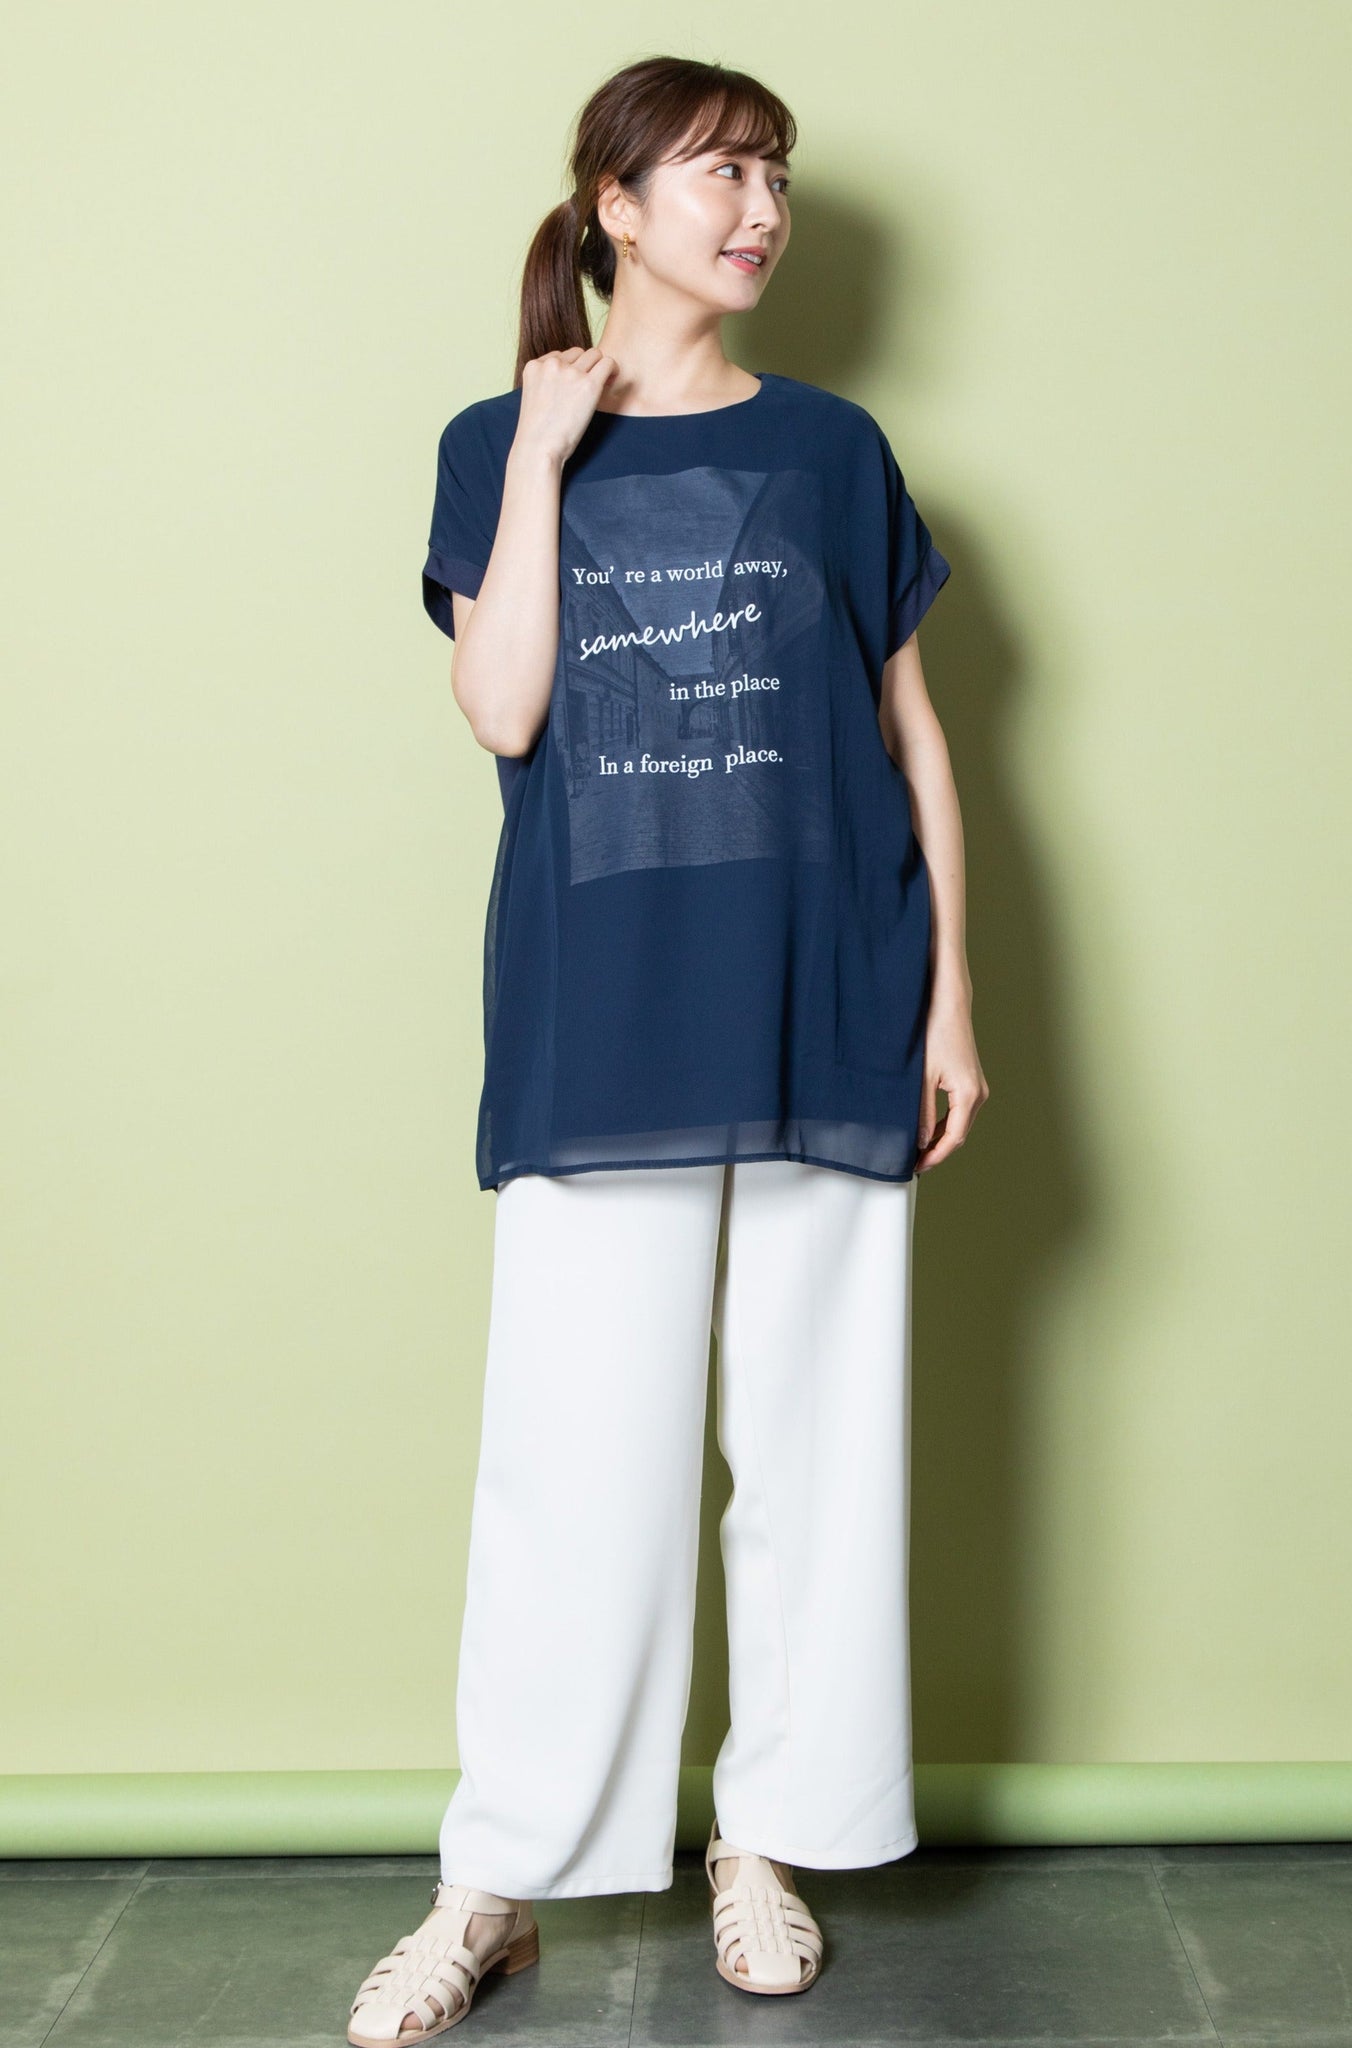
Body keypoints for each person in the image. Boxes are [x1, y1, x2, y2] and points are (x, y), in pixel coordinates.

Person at [347, 52, 988, 2046]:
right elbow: (503, 708)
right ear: (616, 207)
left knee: (819, 1448)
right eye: (721, 172)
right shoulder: (494, 439)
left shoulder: (833, 448)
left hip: (826, 989)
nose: (762, 208)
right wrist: (544, 460)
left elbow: (913, 737)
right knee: (572, 1463)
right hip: (605, 1011)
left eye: (777, 174)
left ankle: (766, 1839)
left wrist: (951, 996)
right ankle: (496, 1882)